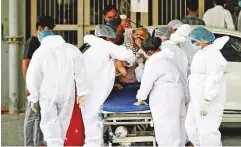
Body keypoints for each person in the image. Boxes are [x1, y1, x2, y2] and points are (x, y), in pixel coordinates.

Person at [26, 30, 89, 146]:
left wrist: (34, 97)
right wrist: (81, 91)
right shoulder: (71, 49)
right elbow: (81, 71)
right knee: (63, 123)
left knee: (50, 125)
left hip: (48, 93)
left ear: (41, 40)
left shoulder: (40, 52)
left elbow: (33, 76)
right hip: (67, 92)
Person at [82, 24, 135, 147]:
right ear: (108, 37)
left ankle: (92, 143)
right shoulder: (106, 45)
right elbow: (129, 55)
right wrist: (126, 62)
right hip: (97, 86)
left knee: (89, 117)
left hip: (83, 87)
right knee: (95, 116)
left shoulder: (85, 46)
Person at [134, 37, 185, 146]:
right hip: (176, 91)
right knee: (177, 123)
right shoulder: (167, 56)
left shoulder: (154, 60)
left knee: (165, 126)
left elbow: (146, 81)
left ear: (148, 52)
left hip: (165, 95)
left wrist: (141, 98)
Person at [185, 27, 228, 146]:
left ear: (203, 40)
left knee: (208, 131)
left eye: (194, 41)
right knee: (191, 126)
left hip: (207, 99)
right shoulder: (202, 52)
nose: (193, 44)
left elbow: (213, 77)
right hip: (198, 98)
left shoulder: (213, 54)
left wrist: (207, 98)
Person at [22, 15, 54, 146]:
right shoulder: (32, 42)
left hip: (43, 84)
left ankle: (39, 142)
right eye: (47, 29)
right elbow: (25, 63)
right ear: (40, 28)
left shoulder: (44, 42)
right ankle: (28, 144)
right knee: (31, 116)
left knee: (40, 115)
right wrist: (28, 85)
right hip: (33, 84)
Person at [154, 26, 189, 146]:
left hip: (167, 94)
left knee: (168, 123)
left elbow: (150, 75)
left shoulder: (160, 51)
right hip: (182, 89)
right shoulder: (179, 50)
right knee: (181, 120)